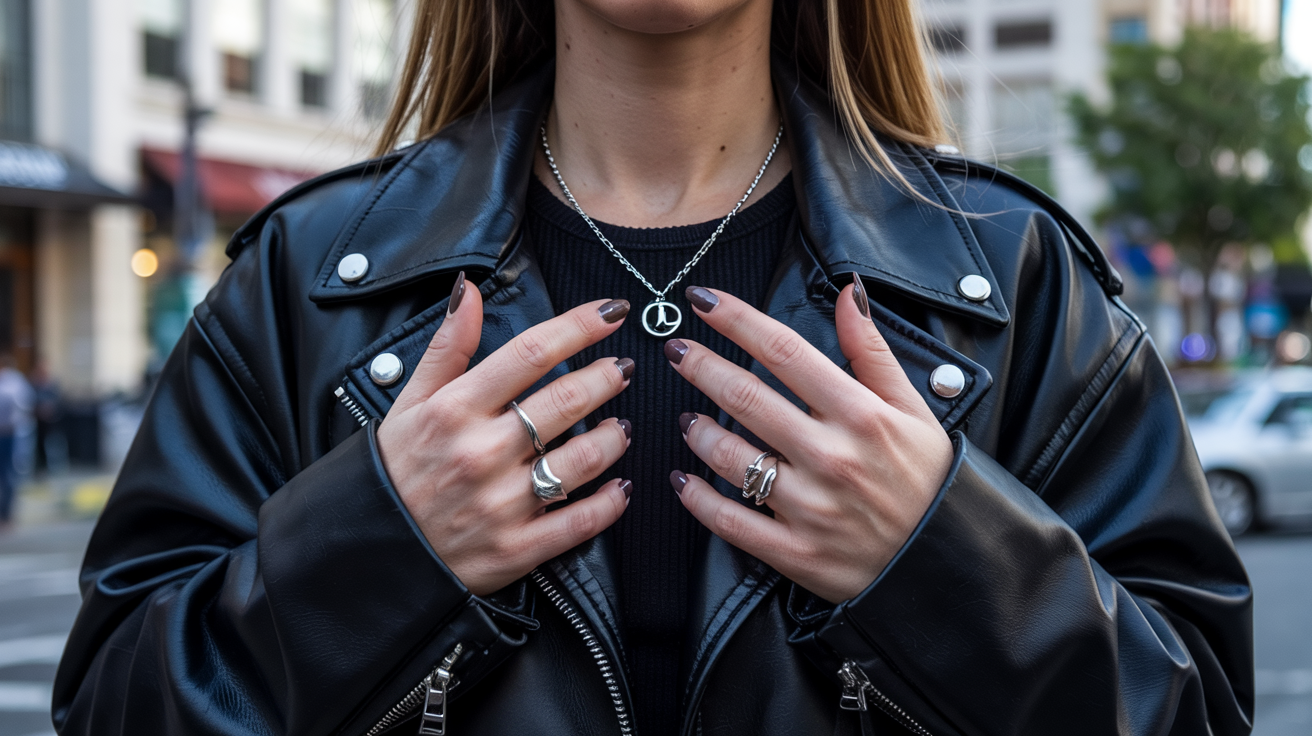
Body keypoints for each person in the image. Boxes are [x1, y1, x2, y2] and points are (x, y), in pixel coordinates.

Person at [53, 1, 1253, 734]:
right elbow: (116, 707)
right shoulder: (301, 281)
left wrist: (941, 559)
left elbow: (1190, 711)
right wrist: (374, 548)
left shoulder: (1017, 280)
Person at [0, 353, 33, 531]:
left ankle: (6, 516)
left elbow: (22, 406)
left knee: (8, 475)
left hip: (10, 434)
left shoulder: (13, 382)